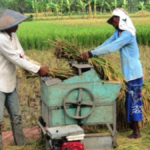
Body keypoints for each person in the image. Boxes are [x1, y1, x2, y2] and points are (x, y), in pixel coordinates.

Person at [82, 8, 143, 139]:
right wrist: (91, 51)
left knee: (134, 102)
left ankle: (137, 132)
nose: (113, 23)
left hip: (134, 73)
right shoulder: (119, 33)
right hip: (127, 73)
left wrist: (91, 54)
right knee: (129, 101)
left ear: (120, 20)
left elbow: (112, 47)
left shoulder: (128, 34)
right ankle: (134, 128)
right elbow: (107, 43)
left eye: (114, 21)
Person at [0, 9, 49, 149]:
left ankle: (21, 143)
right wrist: (38, 70)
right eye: (15, 23)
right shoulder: (1, 38)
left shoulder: (13, 36)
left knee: (16, 115)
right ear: (6, 25)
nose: (18, 25)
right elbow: (15, 58)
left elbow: (21, 55)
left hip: (10, 82)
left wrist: (38, 65)